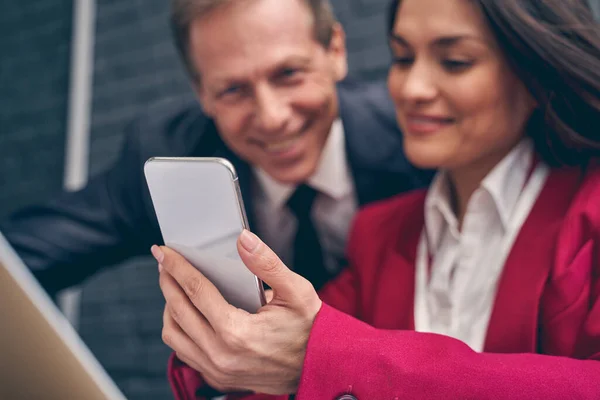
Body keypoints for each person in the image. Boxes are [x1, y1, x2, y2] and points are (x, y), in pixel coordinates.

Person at [156, 0, 600, 398]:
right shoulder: (378, 234)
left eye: (455, 61)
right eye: (402, 58)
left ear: (535, 72)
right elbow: (292, 353)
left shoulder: (589, 208)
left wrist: (332, 358)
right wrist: (222, 352)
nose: (411, 89)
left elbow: (325, 353)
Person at [0, 0, 427, 297]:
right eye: (234, 89)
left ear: (335, 51)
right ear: (201, 93)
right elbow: (24, 257)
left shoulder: (417, 135)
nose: (272, 116)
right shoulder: (167, 155)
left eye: (289, 73)